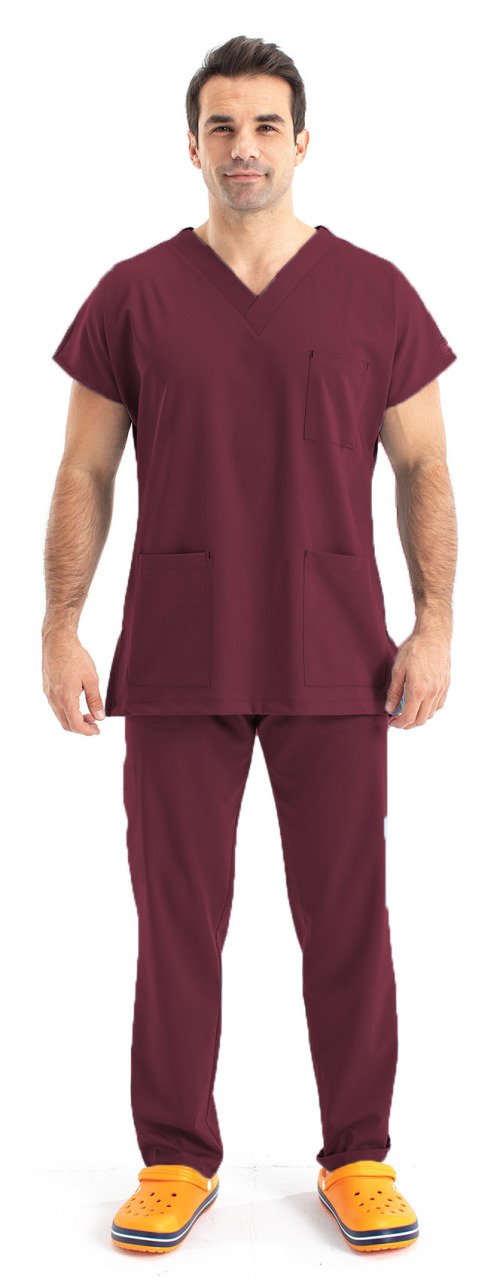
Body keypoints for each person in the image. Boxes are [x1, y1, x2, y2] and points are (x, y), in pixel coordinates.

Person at [43, 34, 457, 1256]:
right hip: (179, 653)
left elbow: (423, 465)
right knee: (175, 918)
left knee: (348, 916)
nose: (243, 147)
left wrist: (434, 620)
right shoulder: (133, 294)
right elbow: (84, 468)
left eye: (265, 125)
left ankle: (358, 1154)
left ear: (301, 142)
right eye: (221, 126)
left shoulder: (374, 293)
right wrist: (62, 622)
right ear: (192, 144)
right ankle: (175, 1157)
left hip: (336, 652)